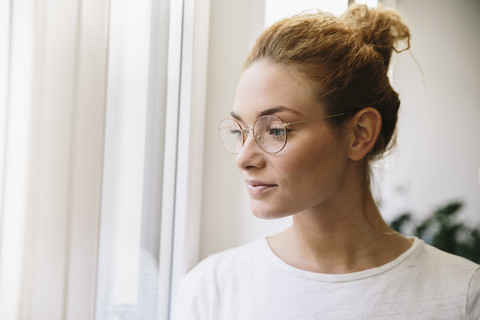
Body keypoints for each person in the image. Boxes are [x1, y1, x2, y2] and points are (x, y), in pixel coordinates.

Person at [172, 4, 480, 319]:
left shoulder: (462, 296)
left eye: (276, 130)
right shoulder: (212, 290)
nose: (243, 158)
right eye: (239, 131)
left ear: (360, 134)